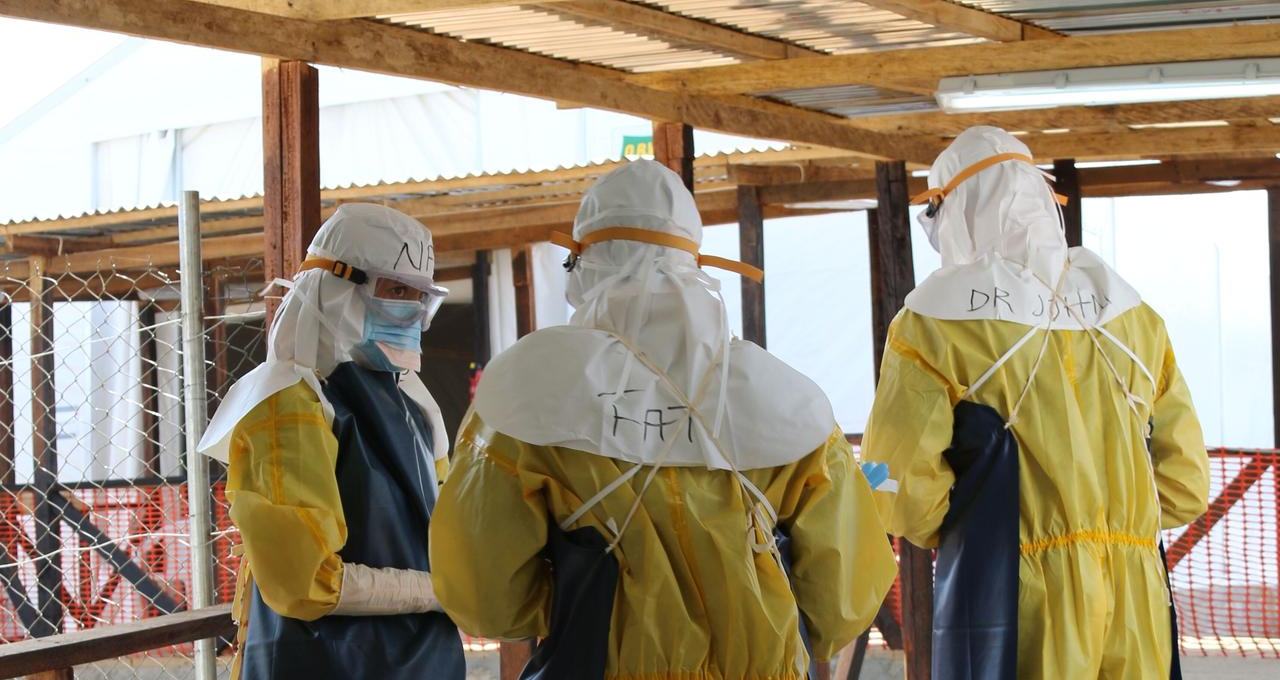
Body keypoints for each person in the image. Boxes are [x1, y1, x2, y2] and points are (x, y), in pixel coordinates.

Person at [430, 160, 897, 680]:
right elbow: (843, 603)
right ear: (694, 258)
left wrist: (579, 602)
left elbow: (483, 595)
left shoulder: (524, 393)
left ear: (581, 261)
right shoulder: (791, 400)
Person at [861, 126, 1210, 680]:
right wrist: (1116, 525)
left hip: (1011, 593)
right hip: (1138, 592)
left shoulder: (930, 323)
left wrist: (961, 525)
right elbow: (1187, 484)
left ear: (956, 212)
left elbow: (891, 483)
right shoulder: (1134, 317)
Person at [199, 203, 464, 680]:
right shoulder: (288, 403)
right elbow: (305, 582)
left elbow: (442, 531)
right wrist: (439, 591)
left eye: (421, 297)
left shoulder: (416, 404)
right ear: (340, 288)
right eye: (397, 291)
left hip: (426, 662)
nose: (413, 312)